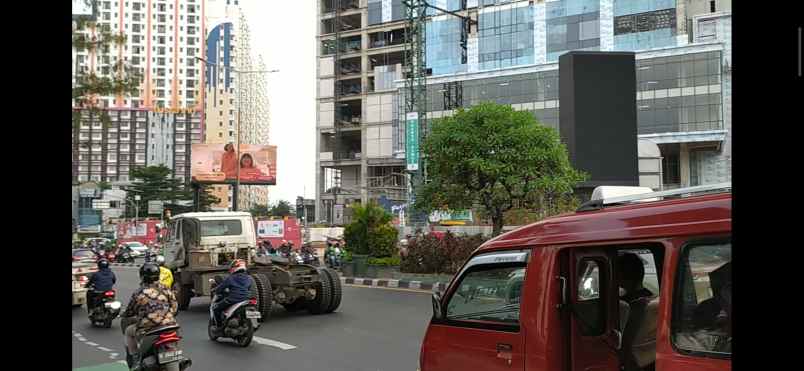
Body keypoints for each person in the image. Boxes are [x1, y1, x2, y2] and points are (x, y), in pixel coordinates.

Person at [122, 263, 178, 369]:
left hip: (150, 329)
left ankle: (134, 358)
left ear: (142, 276)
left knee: (129, 331)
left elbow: (129, 312)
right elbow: (175, 307)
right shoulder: (165, 289)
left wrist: (126, 315)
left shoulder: (138, 292)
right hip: (171, 326)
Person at [211, 260, 253, 328]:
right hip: (246, 299)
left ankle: (219, 326)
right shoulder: (249, 278)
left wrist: (215, 290)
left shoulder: (231, 278)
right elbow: (248, 288)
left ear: (235, 267)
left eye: (233, 267)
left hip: (233, 299)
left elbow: (221, 288)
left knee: (216, 308)